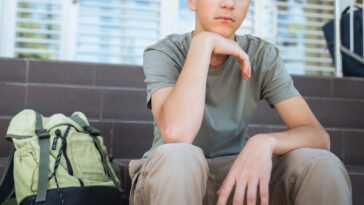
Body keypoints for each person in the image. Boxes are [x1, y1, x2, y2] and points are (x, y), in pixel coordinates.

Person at [129, 0, 352, 204]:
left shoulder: (261, 54)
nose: (229, 4)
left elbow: (318, 135)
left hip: (239, 177)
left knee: (322, 164)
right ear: (191, 2)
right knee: (180, 156)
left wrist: (265, 142)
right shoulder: (165, 52)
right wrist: (203, 44)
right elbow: (177, 133)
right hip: (172, 176)